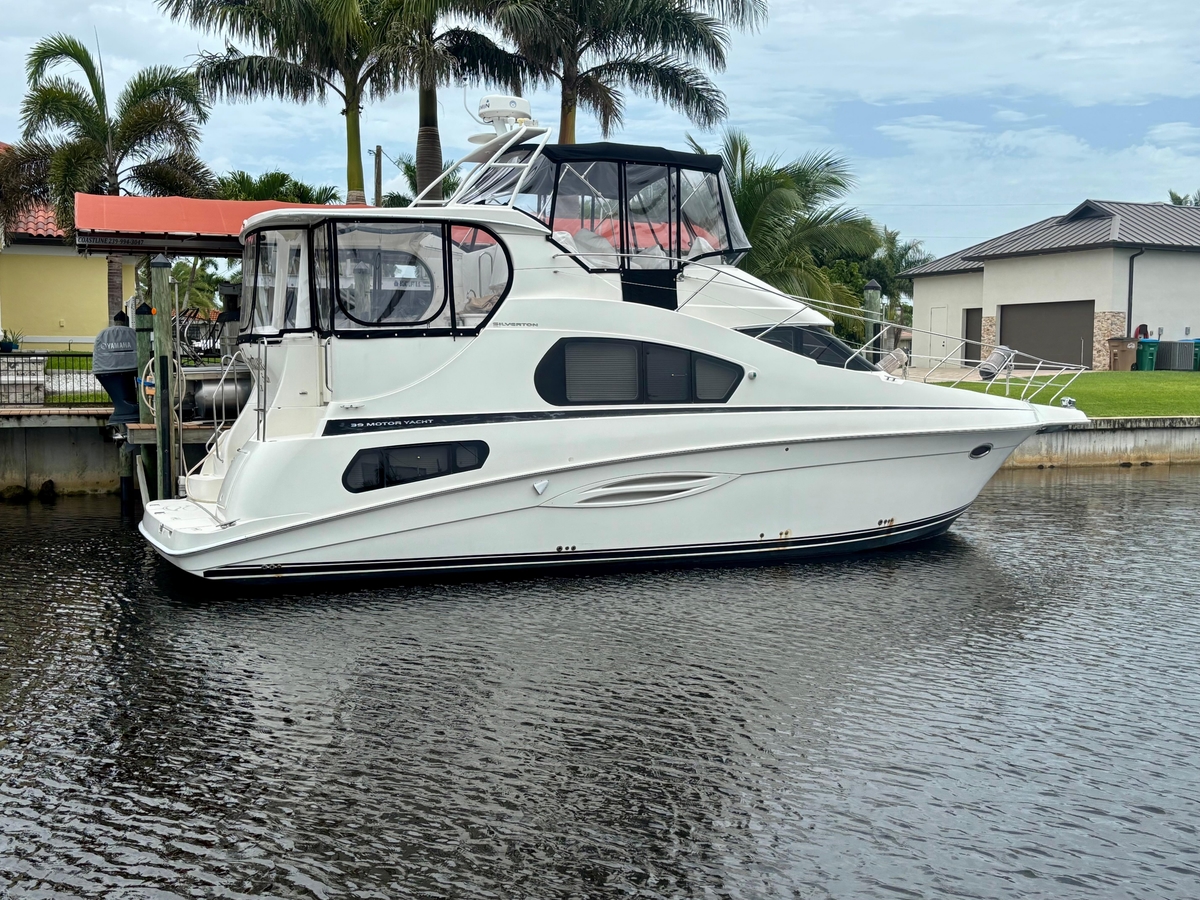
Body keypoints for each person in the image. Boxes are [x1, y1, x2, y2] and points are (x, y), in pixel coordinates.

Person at [94, 311, 140, 423]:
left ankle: (125, 408)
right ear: (126, 321)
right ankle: (130, 408)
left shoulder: (103, 333)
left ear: (114, 322)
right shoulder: (132, 332)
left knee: (122, 396)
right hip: (130, 367)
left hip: (104, 369)